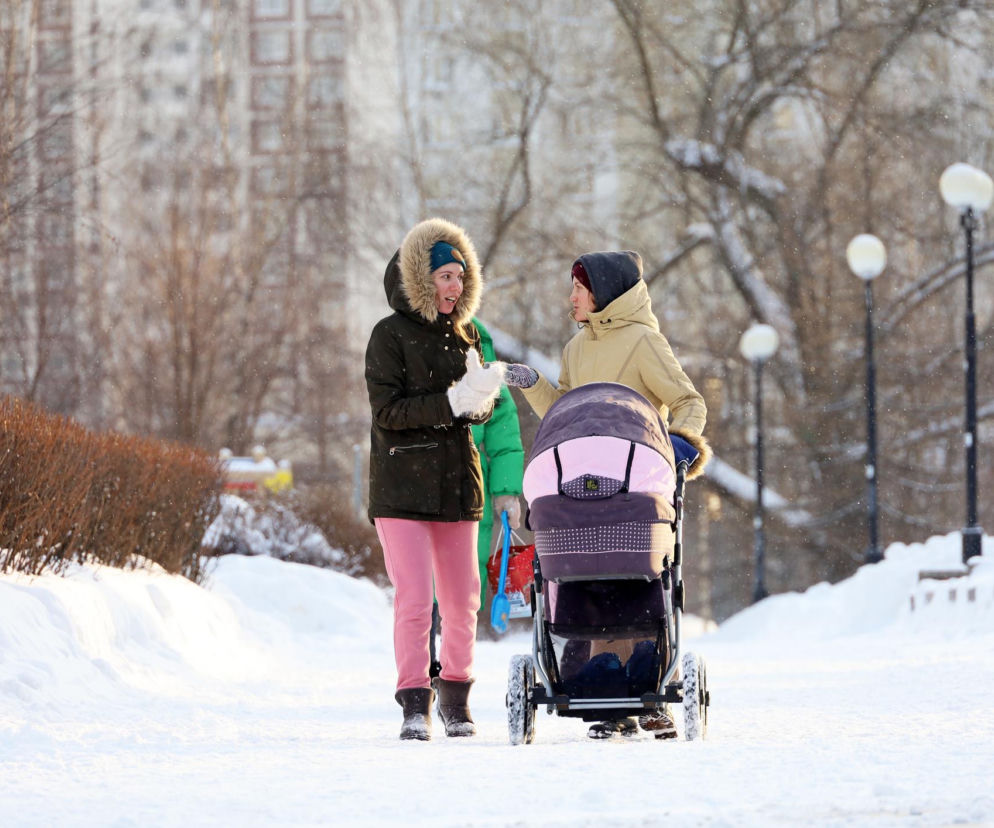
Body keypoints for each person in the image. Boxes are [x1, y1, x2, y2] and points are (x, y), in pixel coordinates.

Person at [504, 249, 711, 740]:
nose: (570, 298)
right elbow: (568, 412)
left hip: (634, 487)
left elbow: (688, 401)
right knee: (588, 581)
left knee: (631, 580)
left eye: (577, 288)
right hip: (582, 489)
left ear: (601, 293)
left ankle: (638, 681)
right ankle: (614, 686)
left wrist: (679, 446)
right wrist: (534, 384)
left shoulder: (644, 342)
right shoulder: (577, 348)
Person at [365, 217, 503, 741]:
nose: (456, 285)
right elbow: (388, 412)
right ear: (423, 280)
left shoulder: (467, 335)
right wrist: (450, 402)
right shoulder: (388, 336)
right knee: (417, 598)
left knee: (465, 594)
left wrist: (482, 398)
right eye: (445, 275)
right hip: (402, 490)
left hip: (457, 488)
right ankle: (413, 703)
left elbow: (479, 411)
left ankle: (458, 700)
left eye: (461, 275)